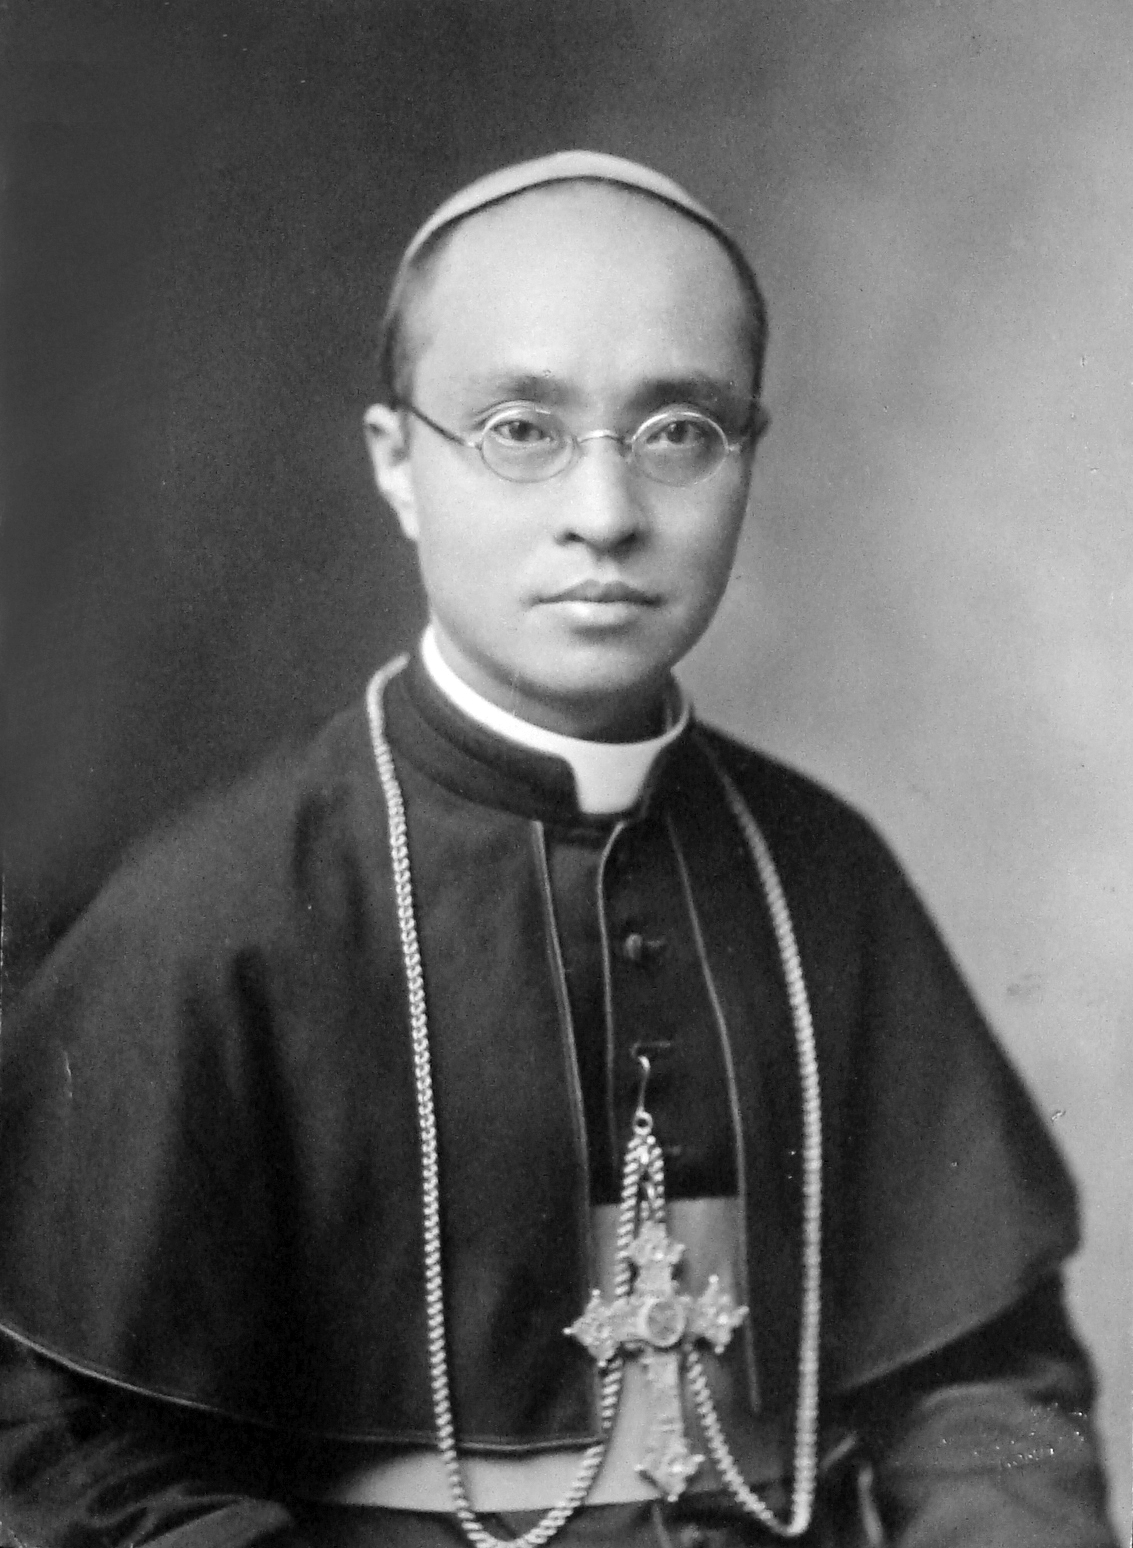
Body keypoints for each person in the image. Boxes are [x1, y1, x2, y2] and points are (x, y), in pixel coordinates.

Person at [0, 152, 1116, 1548]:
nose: (605, 512)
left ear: (748, 457)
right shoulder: (214, 916)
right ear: (396, 463)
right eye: (520, 429)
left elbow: (997, 1390)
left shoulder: (825, 879)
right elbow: (72, 1459)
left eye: (678, 431)